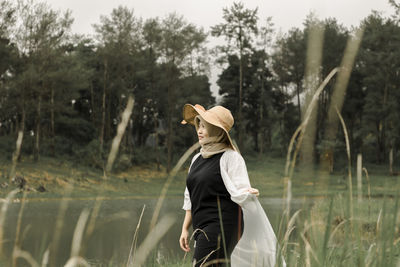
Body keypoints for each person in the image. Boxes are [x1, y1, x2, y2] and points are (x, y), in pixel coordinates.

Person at [179, 104, 283, 267]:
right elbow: (190, 196)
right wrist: (185, 228)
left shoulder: (230, 157)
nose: (199, 130)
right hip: (201, 226)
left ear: (217, 131)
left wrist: (248, 192)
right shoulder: (196, 159)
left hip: (223, 223)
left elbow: (240, 187)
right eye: (199, 125)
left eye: (205, 127)